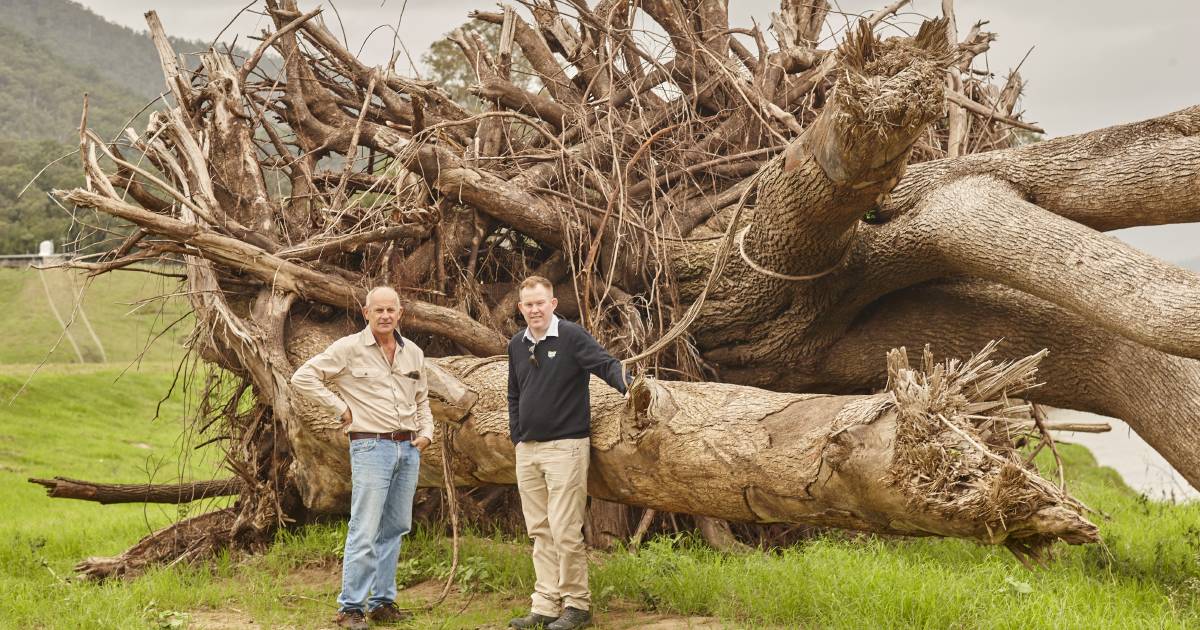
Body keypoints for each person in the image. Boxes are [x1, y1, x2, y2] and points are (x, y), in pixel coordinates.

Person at [291, 286, 433, 630]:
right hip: (371, 447)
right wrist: (340, 408)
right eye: (378, 310)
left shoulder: (412, 352)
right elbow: (302, 377)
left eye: (391, 310)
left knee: (396, 527)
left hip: (407, 449)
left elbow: (423, 398)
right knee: (365, 527)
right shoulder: (349, 348)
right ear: (366, 313)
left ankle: (382, 602)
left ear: (400, 313)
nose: (385, 315)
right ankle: (351, 608)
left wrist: (426, 433)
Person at [506, 276, 629, 630]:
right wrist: (518, 437)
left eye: (540, 302)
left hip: (567, 448)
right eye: (528, 304)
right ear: (521, 308)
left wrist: (630, 385)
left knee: (564, 530)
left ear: (553, 304)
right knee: (540, 531)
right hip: (527, 451)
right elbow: (514, 394)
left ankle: (577, 605)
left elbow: (606, 365)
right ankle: (544, 605)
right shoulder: (517, 344)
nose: (535, 309)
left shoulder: (572, 337)